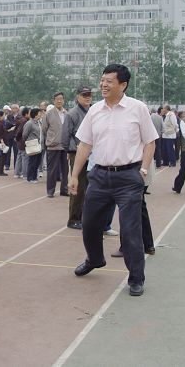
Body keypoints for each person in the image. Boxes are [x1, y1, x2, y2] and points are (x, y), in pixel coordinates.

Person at [69, 64, 157, 297]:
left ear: (123, 85)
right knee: (89, 224)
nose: (103, 85)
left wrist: (143, 169)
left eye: (109, 81)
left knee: (130, 230)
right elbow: (85, 144)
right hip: (99, 176)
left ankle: (136, 278)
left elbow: (150, 141)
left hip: (129, 177)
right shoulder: (95, 111)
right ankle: (95, 259)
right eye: (102, 80)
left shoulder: (137, 108)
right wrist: (74, 174)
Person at [62, 85, 92, 229]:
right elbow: (65, 136)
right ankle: (74, 218)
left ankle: (86, 216)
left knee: (92, 187)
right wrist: (70, 151)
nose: (87, 97)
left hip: (93, 154)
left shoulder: (93, 111)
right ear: (77, 97)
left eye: (89, 95)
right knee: (78, 187)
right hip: (77, 153)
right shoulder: (72, 114)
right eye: (84, 95)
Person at [42, 92, 69, 198]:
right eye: (57, 99)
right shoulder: (48, 114)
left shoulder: (66, 113)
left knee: (65, 170)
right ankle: (50, 191)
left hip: (65, 146)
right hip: (53, 146)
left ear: (63, 100)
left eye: (61, 99)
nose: (59, 101)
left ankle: (64, 190)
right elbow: (44, 129)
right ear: (54, 101)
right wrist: (52, 138)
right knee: (52, 170)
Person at [23, 108, 42, 183]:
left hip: (39, 144)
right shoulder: (29, 123)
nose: (40, 114)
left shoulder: (39, 122)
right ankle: (30, 177)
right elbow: (24, 134)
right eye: (39, 113)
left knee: (37, 162)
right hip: (32, 144)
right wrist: (28, 141)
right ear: (35, 114)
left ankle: (34, 176)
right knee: (32, 161)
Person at [13, 107, 30, 179]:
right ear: (26, 114)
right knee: (24, 157)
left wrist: (17, 138)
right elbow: (20, 131)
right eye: (29, 113)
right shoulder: (24, 121)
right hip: (22, 141)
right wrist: (17, 138)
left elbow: (16, 130)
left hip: (19, 141)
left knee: (19, 157)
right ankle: (24, 174)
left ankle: (17, 173)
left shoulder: (20, 120)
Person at [0, 111, 8, 176]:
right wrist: (2, 142)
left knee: (2, 156)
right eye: (3, 115)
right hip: (2, 142)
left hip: (3, 141)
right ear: (0, 116)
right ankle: (0, 171)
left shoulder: (0, 123)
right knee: (2, 157)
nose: (4, 116)